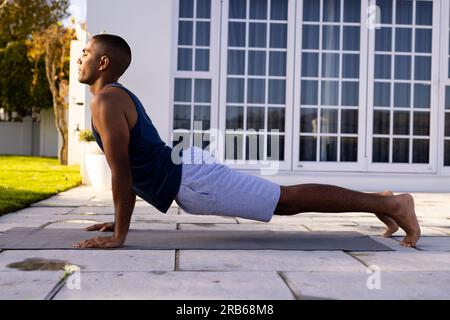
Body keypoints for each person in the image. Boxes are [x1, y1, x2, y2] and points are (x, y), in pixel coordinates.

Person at [73, 34, 420, 249]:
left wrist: (120, 235)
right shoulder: (111, 98)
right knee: (284, 200)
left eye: (85, 53)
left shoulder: (106, 101)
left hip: (193, 178)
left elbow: (122, 173)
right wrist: (117, 220)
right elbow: (133, 165)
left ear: (103, 62)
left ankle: (393, 205)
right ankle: (380, 201)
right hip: (188, 173)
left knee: (285, 200)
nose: (79, 58)